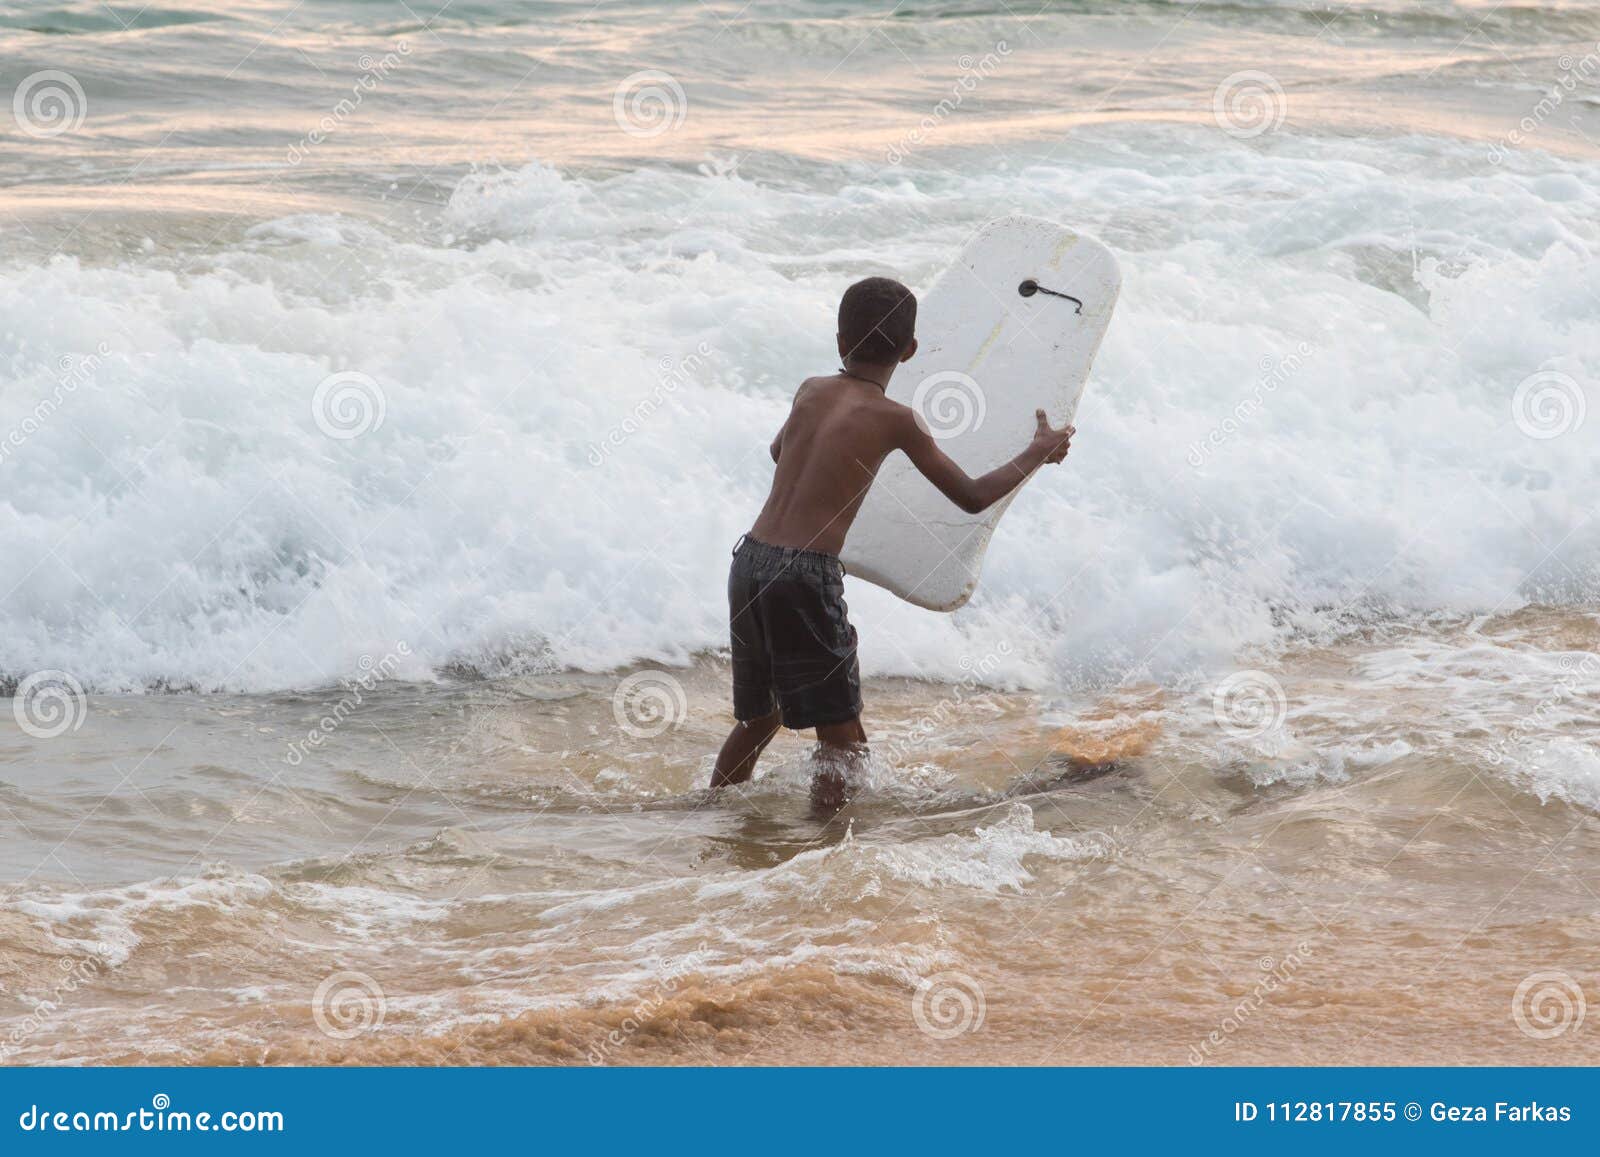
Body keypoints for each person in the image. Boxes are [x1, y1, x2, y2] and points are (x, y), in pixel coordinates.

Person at [711, 276, 1075, 808]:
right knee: (841, 743)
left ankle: (710, 813)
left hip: (750, 562)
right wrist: (1036, 452)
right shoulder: (896, 419)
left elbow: (777, 453)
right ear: (910, 350)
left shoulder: (810, 390)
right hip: (804, 577)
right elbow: (971, 497)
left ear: (840, 341)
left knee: (760, 717)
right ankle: (822, 851)